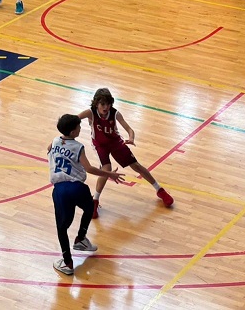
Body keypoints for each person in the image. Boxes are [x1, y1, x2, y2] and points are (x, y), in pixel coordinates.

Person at [77, 87, 174, 219]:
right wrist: (64, 136)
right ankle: (95, 201)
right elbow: (73, 119)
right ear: (96, 104)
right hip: (100, 145)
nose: (106, 107)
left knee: (136, 166)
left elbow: (129, 129)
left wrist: (131, 138)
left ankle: (159, 190)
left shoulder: (115, 113)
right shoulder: (90, 113)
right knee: (106, 169)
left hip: (115, 142)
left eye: (108, 104)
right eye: (102, 104)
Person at [48, 113, 125, 276]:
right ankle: (81, 238)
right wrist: (109, 174)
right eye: (78, 127)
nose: (80, 128)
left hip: (60, 190)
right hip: (77, 187)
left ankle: (68, 262)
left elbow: (49, 148)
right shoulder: (78, 147)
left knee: (62, 228)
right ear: (72, 131)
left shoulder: (55, 141)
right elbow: (89, 169)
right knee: (90, 207)